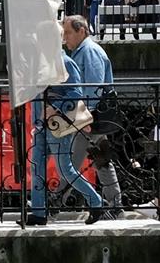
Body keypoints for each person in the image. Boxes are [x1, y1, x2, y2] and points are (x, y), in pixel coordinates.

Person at [28, 45, 104, 225]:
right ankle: (39, 212)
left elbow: (75, 92)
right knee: (37, 166)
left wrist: (54, 107)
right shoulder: (43, 62)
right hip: (43, 124)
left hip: (56, 123)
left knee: (64, 168)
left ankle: (95, 201)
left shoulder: (65, 62)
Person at [63, 16, 125, 218]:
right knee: (101, 159)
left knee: (71, 162)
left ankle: (53, 203)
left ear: (81, 31)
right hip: (91, 117)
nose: (65, 39)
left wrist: (85, 118)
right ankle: (115, 206)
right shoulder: (84, 51)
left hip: (89, 118)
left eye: (68, 33)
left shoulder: (88, 52)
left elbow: (93, 87)